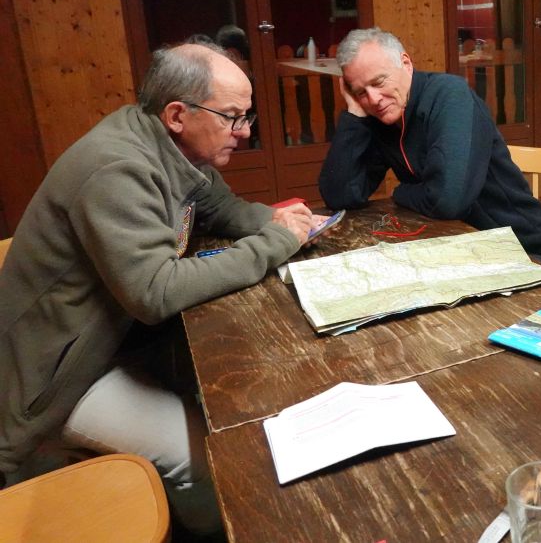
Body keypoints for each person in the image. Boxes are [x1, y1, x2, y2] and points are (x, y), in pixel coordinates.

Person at [0, 41, 324, 532]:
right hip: (58, 379)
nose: (244, 131)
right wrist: (273, 244)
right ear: (178, 114)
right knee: (203, 458)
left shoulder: (174, 147)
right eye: (233, 117)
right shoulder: (117, 167)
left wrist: (283, 221)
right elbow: (155, 292)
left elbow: (224, 209)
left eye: (246, 116)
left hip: (114, 339)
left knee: (238, 387)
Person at [318, 27, 541, 268]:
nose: (373, 99)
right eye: (360, 92)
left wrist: (401, 192)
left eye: (378, 82)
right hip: (459, 247)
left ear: (406, 63)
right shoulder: (380, 116)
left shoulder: (449, 96)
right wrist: (354, 115)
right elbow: (340, 196)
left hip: (524, 250)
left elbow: (446, 201)